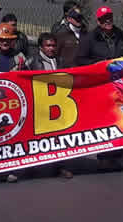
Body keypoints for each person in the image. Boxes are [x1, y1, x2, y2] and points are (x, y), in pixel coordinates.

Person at [76, 6, 123, 171]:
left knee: (120, 119)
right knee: (104, 121)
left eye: (109, 17)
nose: (107, 21)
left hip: (121, 87)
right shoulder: (89, 39)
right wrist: (99, 66)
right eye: (104, 19)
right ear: (98, 21)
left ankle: (117, 155)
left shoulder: (122, 36)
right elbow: (80, 60)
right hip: (100, 87)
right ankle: (103, 157)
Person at [23, 32, 74, 179]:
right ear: (40, 47)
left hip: (56, 105)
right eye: (48, 45)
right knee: (33, 136)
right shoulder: (31, 62)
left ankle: (60, 166)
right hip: (38, 105)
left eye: (53, 45)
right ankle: (29, 166)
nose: (51, 48)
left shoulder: (60, 60)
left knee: (59, 137)